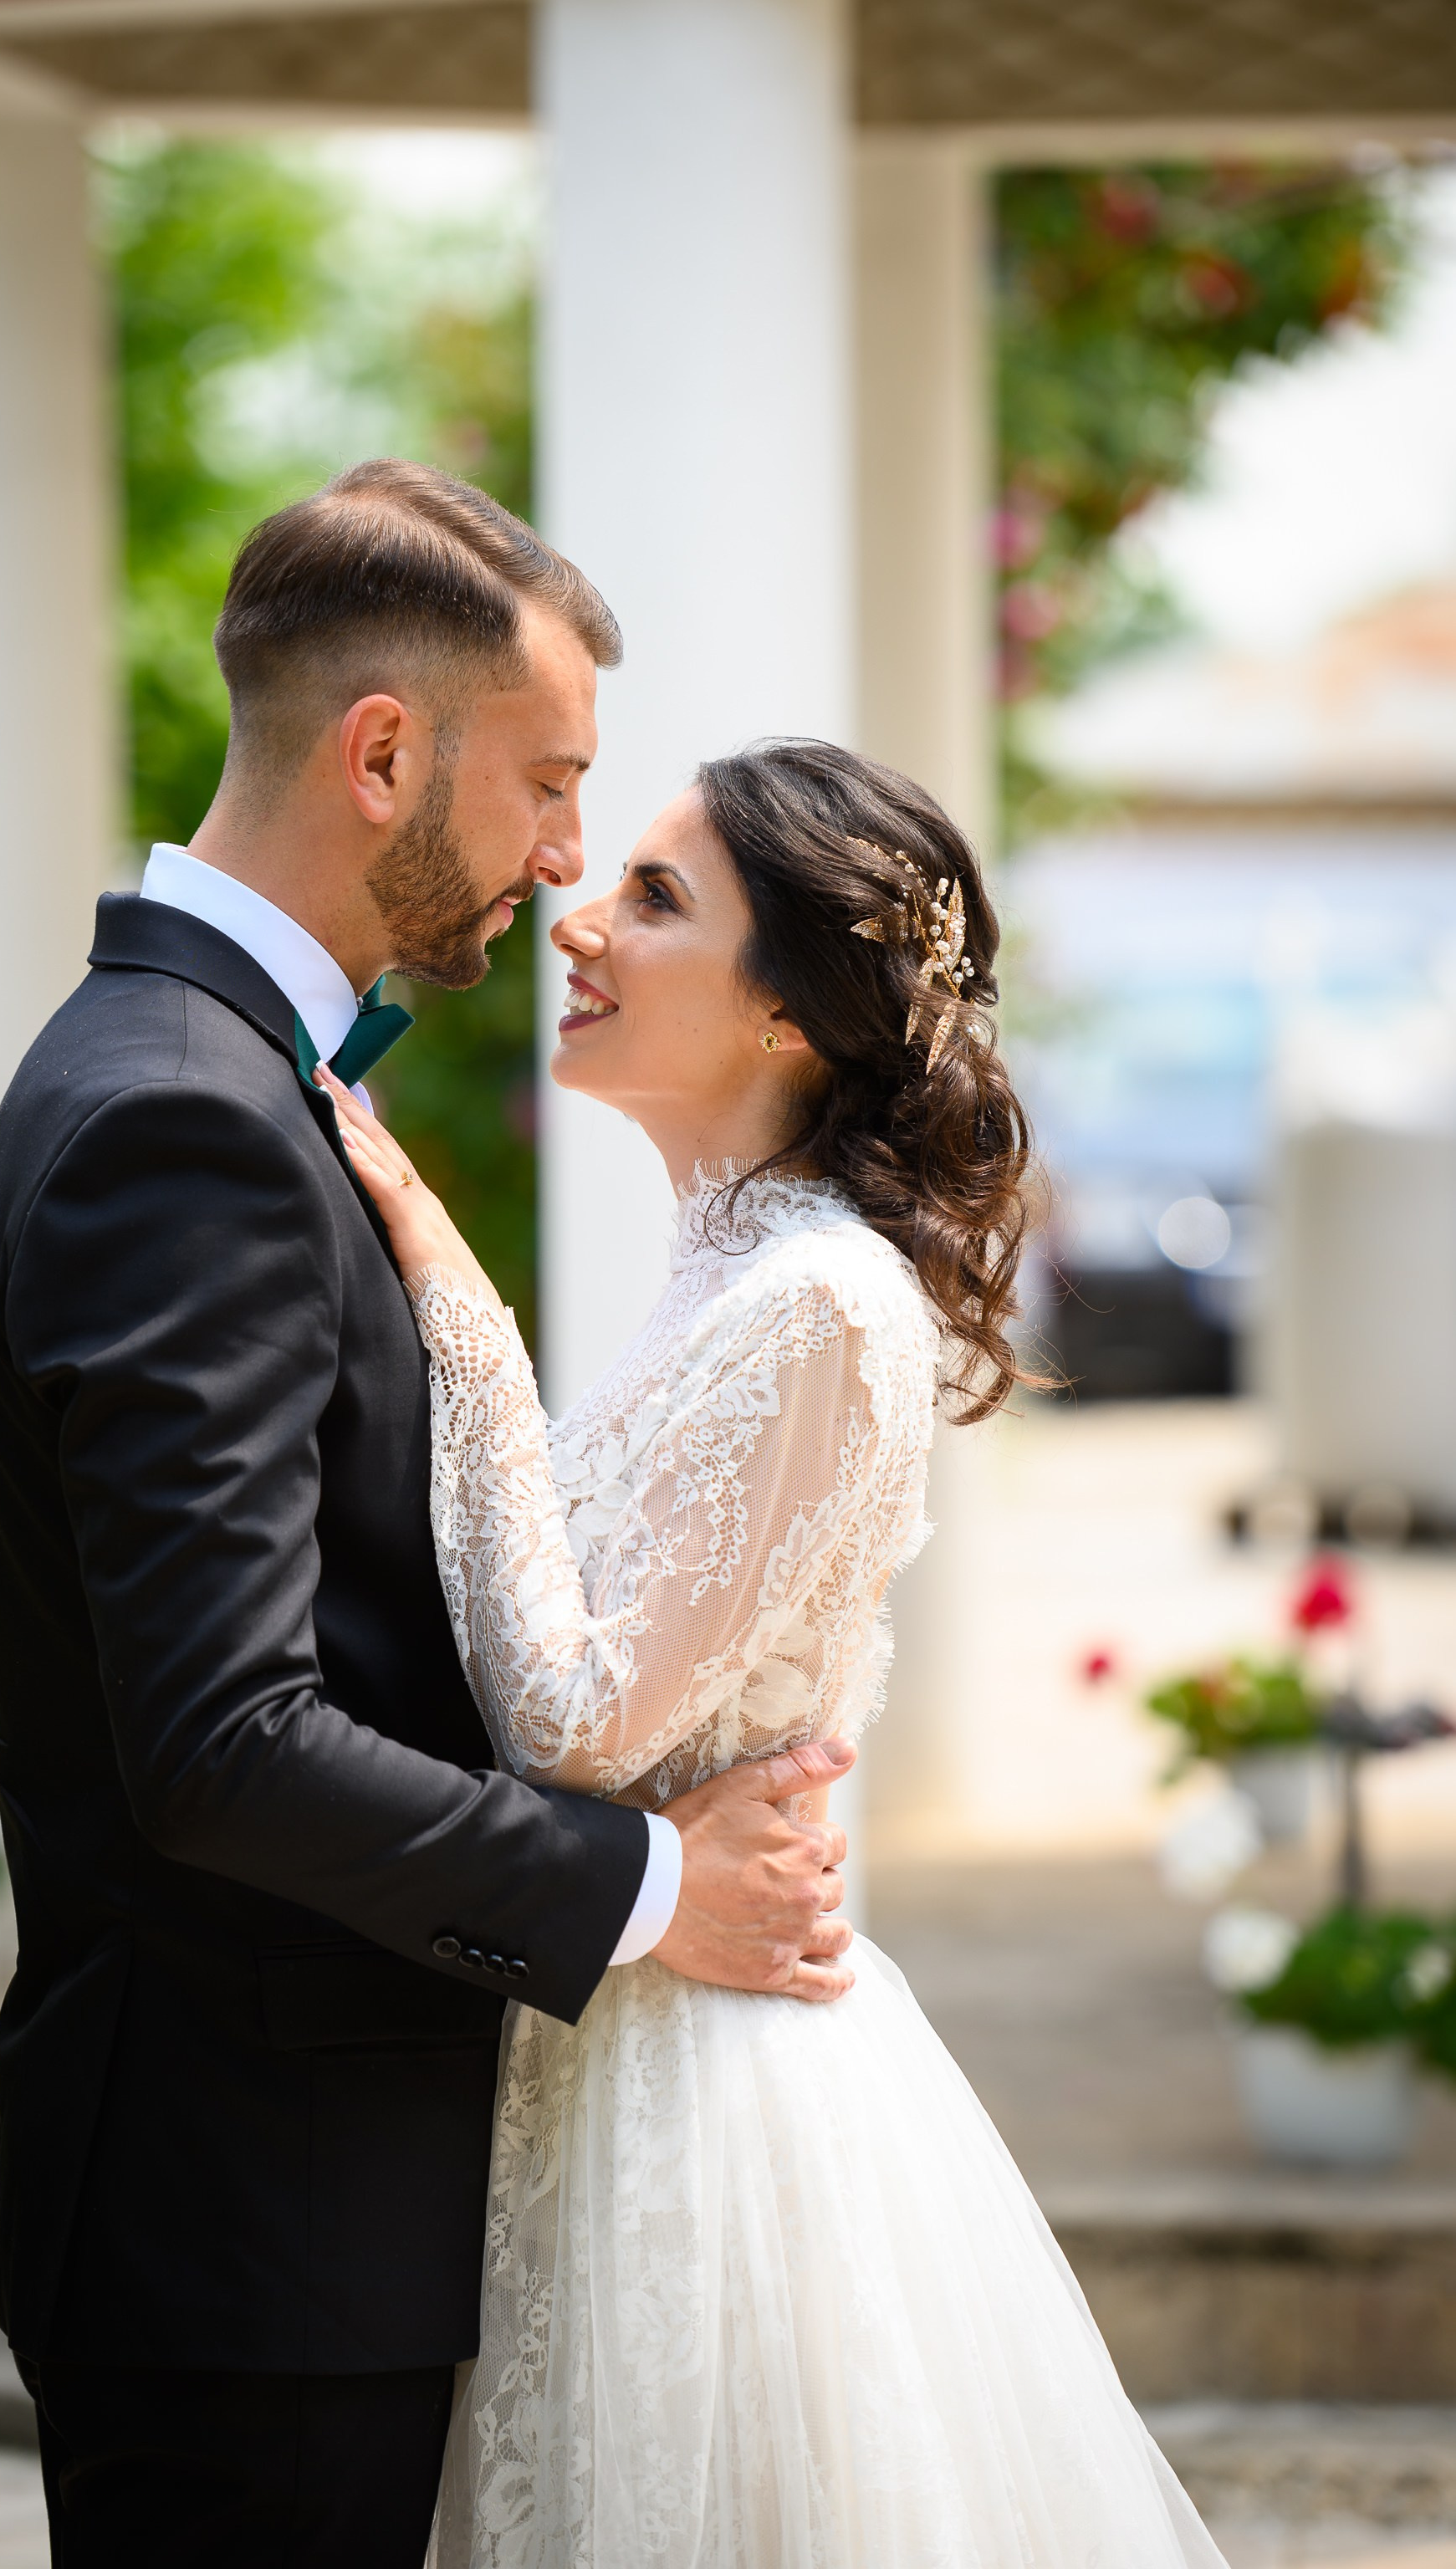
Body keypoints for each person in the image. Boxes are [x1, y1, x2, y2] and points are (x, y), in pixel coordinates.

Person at [0, 462, 856, 2569]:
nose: (558, 865)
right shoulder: (186, 1120)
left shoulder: (212, 1080)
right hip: (246, 2236)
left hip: (281, 2220)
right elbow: (223, 1742)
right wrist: (645, 1887)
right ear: (378, 755)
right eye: (547, 788)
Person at [329, 738, 1230, 2569]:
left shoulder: (814, 1300)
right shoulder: (731, 1267)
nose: (579, 921)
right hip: (605, 2025)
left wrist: (450, 1292)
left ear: (789, 1015)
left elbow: (576, 1718)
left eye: (656, 899)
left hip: (701, 2098)